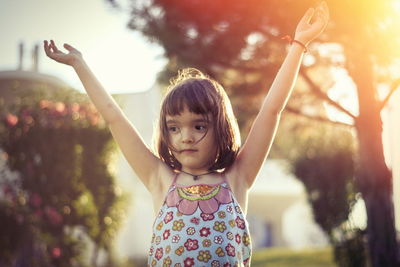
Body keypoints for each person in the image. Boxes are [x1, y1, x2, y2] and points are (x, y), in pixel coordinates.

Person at [44, 2, 329, 266]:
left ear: (220, 130)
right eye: (174, 127)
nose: (185, 137)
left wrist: (299, 45)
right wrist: (80, 65)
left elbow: (271, 112)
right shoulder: (160, 178)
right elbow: (114, 117)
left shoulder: (237, 178)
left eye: (199, 126)